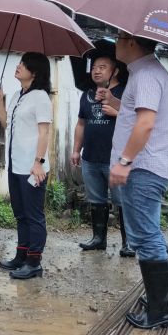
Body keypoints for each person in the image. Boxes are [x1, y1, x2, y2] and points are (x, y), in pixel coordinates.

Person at [110, 34, 168, 330]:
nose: (114, 43)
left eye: (118, 37)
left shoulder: (147, 75)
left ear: (131, 42)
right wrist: (114, 101)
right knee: (151, 233)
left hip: (143, 168)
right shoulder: (145, 73)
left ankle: (159, 310)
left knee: (145, 237)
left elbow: (145, 123)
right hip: (148, 167)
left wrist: (125, 161)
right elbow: (135, 115)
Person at [0, 52, 53, 279]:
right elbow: (6, 123)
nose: (18, 66)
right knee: (20, 213)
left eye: (23, 64)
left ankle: (34, 261)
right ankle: (21, 255)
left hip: (32, 167)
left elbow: (44, 132)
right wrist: (0, 102)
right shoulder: (19, 94)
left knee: (34, 214)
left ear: (34, 73)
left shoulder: (41, 97)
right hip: (16, 164)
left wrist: (39, 163)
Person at [71, 55, 134, 256]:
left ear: (115, 71)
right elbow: (81, 123)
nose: (96, 71)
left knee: (122, 201)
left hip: (116, 159)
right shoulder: (87, 94)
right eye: (94, 67)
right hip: (90, 157)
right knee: (96, 200)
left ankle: (129, 243)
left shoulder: (125, 93)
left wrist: (117, 112)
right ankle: (99, 239)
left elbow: (138, 121)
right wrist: (75, 149)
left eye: (103, 67)